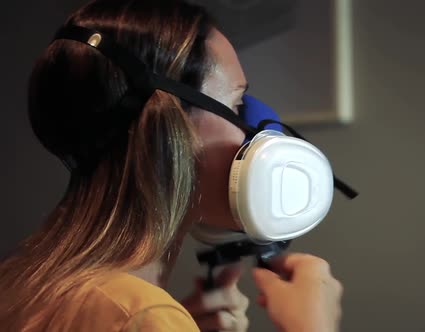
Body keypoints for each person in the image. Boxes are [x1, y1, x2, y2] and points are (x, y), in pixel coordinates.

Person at [0, 0, 343, 331]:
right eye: (238, 104)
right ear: (170, 126)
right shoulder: (140, 315)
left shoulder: (19, 281)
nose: (254, 128)